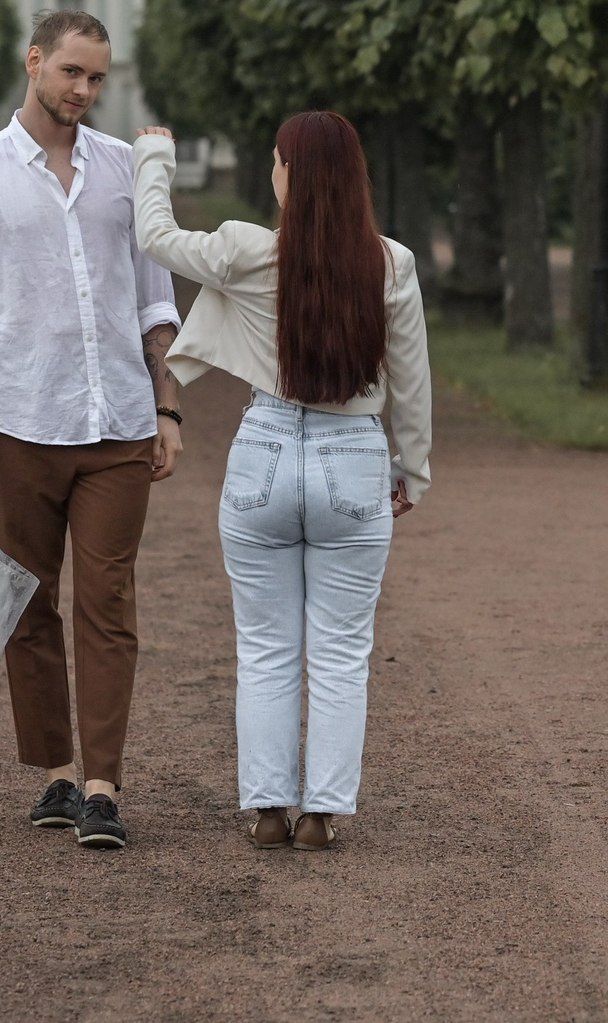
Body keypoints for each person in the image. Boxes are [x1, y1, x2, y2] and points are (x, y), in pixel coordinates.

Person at [130, 111, 431, 852]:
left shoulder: (246, 249)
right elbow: (412, 382)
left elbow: (156, 238)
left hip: (264, 450)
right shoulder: (392, 263)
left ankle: (268, 808)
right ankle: (322, 813)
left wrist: (154, 156)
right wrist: (410, 468)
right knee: (340, 650)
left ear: (290, 174)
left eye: (276, 160)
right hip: (353, 458)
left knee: (264, 646)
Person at [0, 8, 184, 852]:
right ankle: (57, 775)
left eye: (98, 77)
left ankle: (104, 787)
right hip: (20, 422)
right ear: (34, 62)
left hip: (116, 420)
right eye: (72, 72)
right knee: (29, 603)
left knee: (106, 599)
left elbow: (156, 304)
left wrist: (168, 405)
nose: (85, 90)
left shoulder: (124, 172)